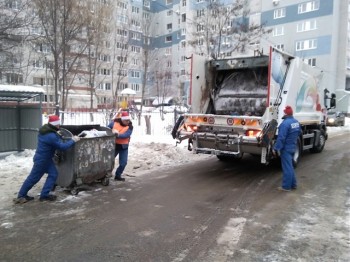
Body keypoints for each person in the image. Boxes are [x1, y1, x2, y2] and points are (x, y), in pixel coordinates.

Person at [14, 115, 80, 203]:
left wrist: (58, 134)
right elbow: (62, 146)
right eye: (58, 124)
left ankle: (44, 195)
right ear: (54, 125)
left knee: (53, 174)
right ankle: (21, 196)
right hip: (42, 160)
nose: (59, 126)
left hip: (46, 159)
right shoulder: (50, 136)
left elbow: (54, 139)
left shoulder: (46, 130)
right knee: (33, 178)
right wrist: (73, 140)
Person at [273, 105, 301, 192]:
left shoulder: (285, 124)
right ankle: (293, 184)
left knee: (287, 168)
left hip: (286, 148)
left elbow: (281, 138)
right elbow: (299, 132)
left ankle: (286, 187)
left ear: (285, 114)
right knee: (290, 166)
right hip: (292, 147)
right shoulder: (296, 122)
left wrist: (276, 148)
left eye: (283, 112)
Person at [108, 110, 133, 181]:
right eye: (126, 121)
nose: (128, 122)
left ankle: (118, 175)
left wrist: (118, 134)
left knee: (123, 163)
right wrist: (111, 131)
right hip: (114, 146)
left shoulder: (130, 126)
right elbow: (107, 128)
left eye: (128, 120)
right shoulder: (114, 123)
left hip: (123, 147)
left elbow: (127, 134)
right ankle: (105, 174)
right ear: (122, 120)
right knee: (108, 161)